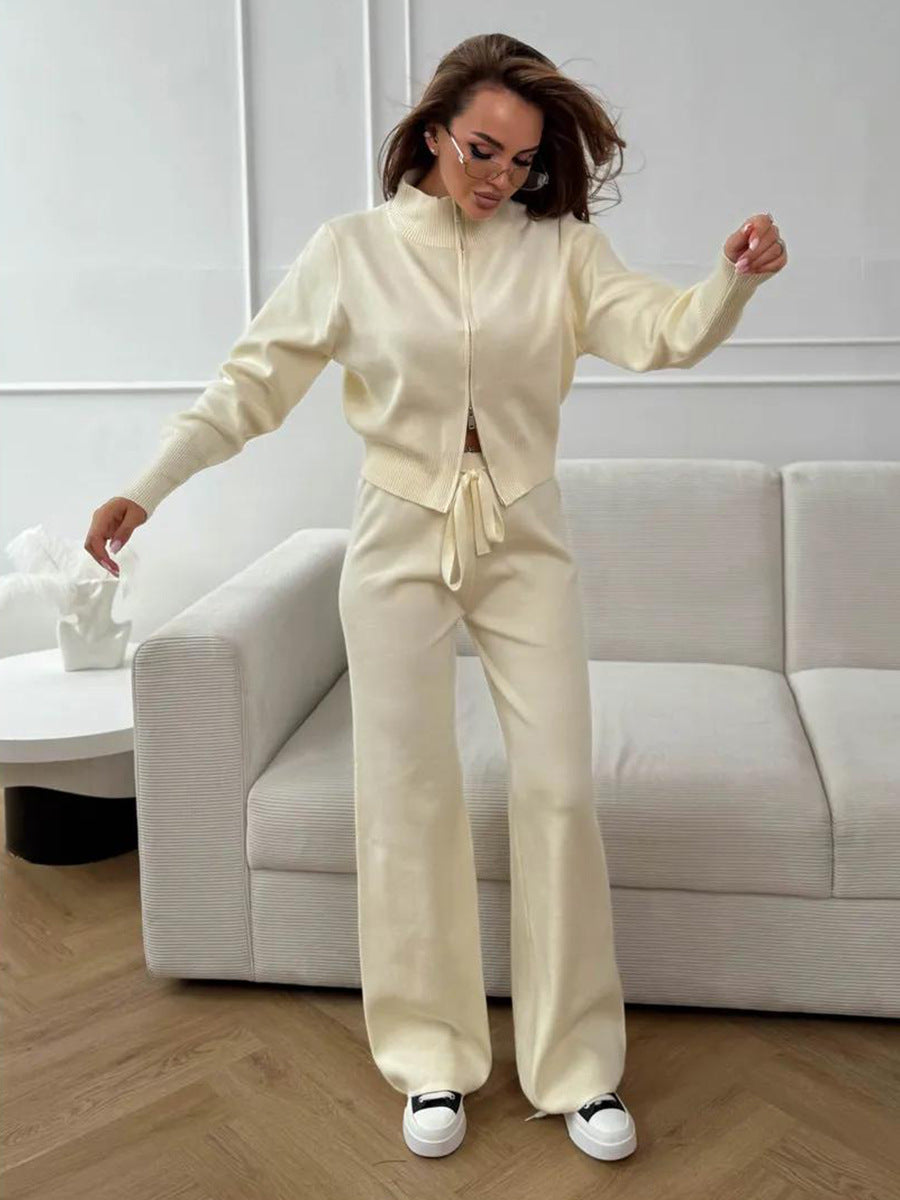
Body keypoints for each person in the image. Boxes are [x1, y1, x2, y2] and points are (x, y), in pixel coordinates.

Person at [84, 31, 786, 1162]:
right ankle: (431, 1062)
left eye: (522, 159)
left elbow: (664, 331)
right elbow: (251, 383)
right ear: (431, 131)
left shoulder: (562, 252)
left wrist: (732, 281)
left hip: (523, 532)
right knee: (406, 796)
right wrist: (147, 486)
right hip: (398, 533)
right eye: (480, 150)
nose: (499, 176)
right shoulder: (353, 252)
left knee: (558, 789)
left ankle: (577, 1070)